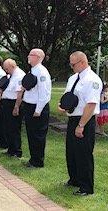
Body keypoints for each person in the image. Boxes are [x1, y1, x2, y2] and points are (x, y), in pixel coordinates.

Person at [59, 51, 102, 196]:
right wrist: (62, 106)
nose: (71, 66)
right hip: (73, 118)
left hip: (85, 120)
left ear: (82, 62)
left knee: (83, 154)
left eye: (73, 64)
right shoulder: (73, 78)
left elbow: (91, 104)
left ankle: (86, 188)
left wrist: (81, 125)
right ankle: (74, 179)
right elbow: (68, 97)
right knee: (71, 151)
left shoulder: (92, 79)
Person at [22, 48, 51, 168]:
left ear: (38, 57)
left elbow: (44, 93)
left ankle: (38, 161)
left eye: (31, 54)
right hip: (29, 106)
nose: (28, 56)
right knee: (31, 134)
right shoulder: (33, 70)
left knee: (37, 135)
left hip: (37, 107)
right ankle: (33, 159)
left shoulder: (41, 72)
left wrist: (38, 110)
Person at [1, 59, 26, 157]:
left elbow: (20, 92)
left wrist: (16, 106)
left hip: (14, 103)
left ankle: (17, 150)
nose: (6, 71)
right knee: (8, 127)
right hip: (7, 102)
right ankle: (11, 149)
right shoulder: (12, 75)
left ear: (12, 66)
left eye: (7, 68)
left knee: (14, 128)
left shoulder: (19, 75)